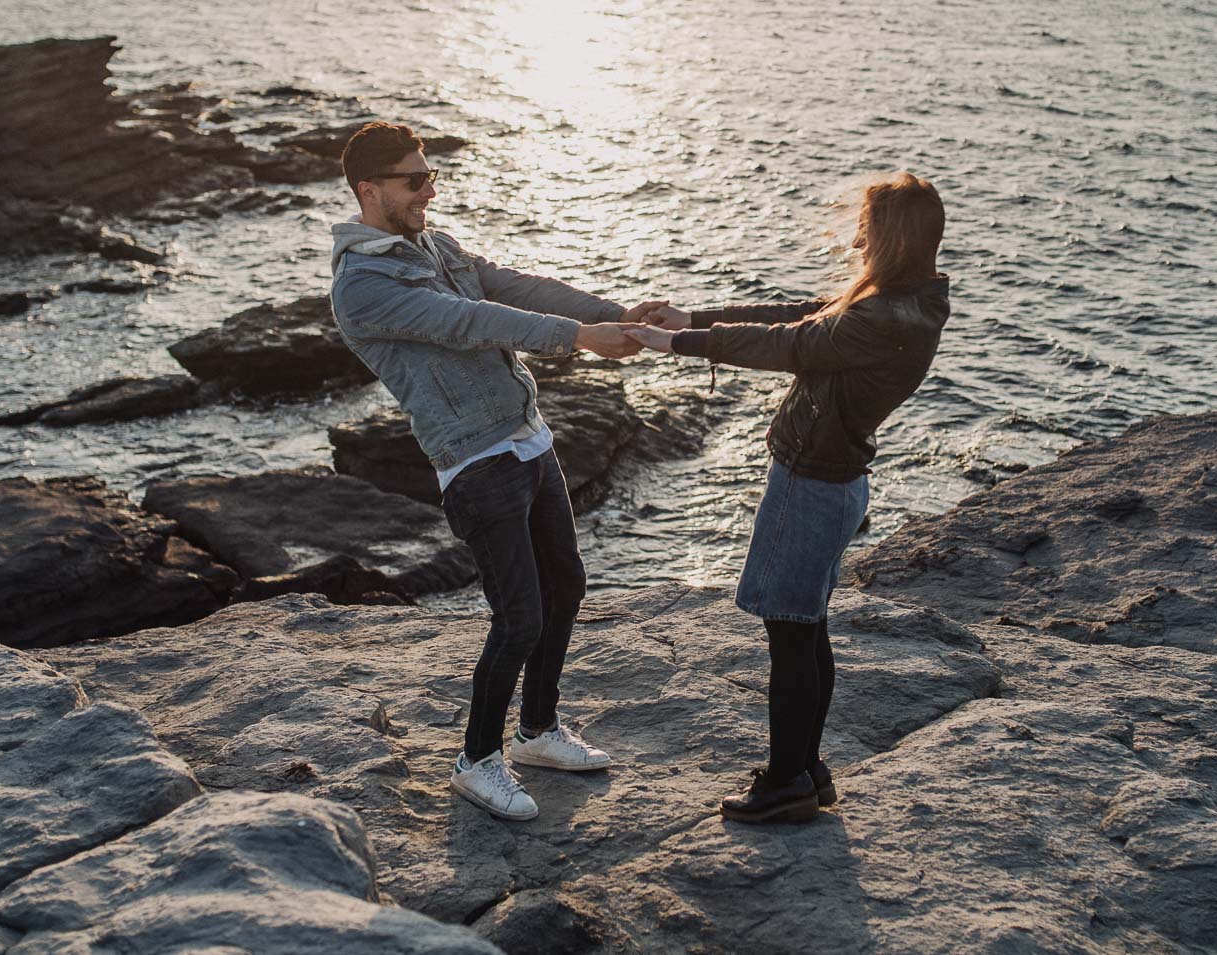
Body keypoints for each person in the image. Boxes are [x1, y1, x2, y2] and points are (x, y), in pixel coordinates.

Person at [329, 122, 664, 821]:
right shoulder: (362, 285)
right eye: (414, 180)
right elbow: (469, 321)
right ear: (369, 190)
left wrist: (614, 314)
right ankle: (475, 759)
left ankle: (537, 731)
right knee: (518, 617)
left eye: (431, 177)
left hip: (529, 441)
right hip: (475, 462)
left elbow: (516, 284)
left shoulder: (437, 246)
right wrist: (581, 339)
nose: (429, 189)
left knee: (566, 583)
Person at [626, 171, 950, 824]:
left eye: (868, 227)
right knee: (805, 627)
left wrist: (678, 344)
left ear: (888, 240)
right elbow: (798, 321)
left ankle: (784, 780)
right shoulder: (899, 304)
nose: (857, 237)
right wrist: (695, 317)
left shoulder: (881, 319)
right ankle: (806, 766)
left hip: (812, 483)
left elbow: (787, 344)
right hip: (834, 478)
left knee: (791, 634)